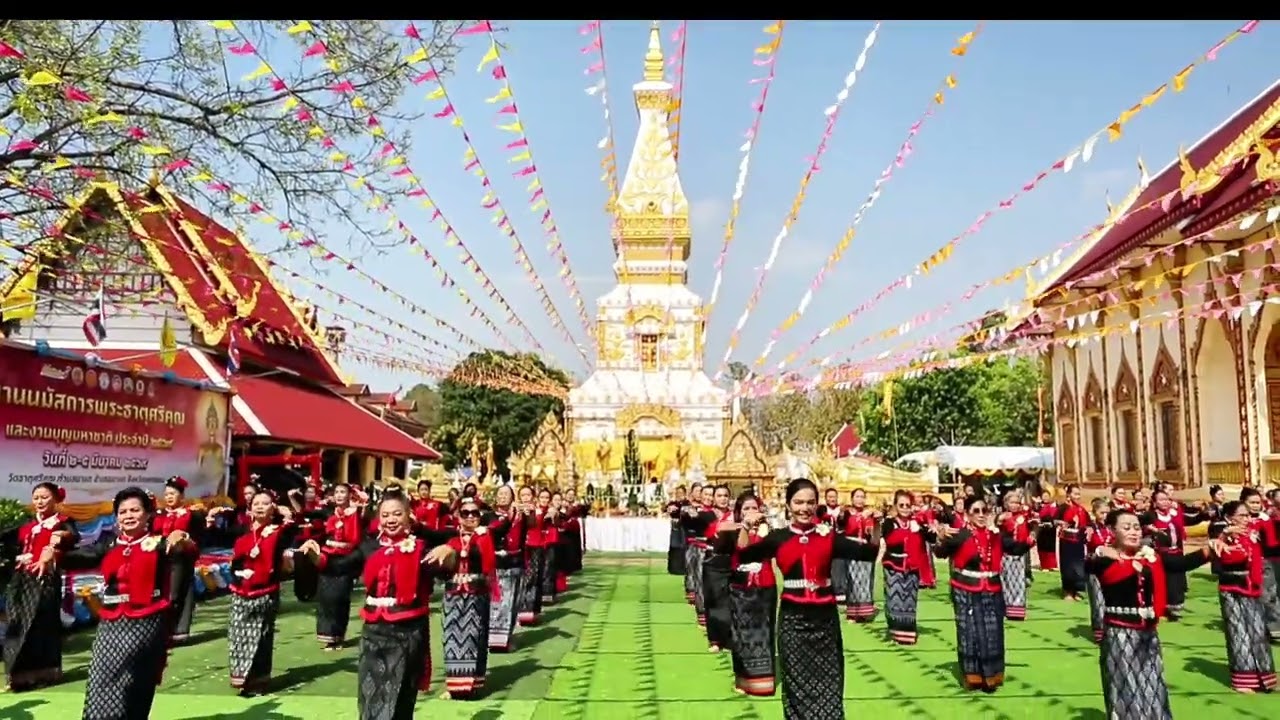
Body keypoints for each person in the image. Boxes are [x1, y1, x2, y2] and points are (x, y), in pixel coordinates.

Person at [297, 488, 456, 720]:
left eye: (397, 514)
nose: (391, 519)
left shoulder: (421, 548)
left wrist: (450, 551)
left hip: (408, 632)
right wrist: (314, 556)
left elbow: (444, 571)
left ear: (408, 516)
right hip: (374, 632)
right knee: (371, 693)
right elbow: (338, 567)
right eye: (385, 515)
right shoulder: (368, 547)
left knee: (401, 696)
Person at [735, 478, 866, 720]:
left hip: (825, 620)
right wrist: (745, 526)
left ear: (816, 505)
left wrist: (875, 527)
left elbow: (866, 553)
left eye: (810, 502)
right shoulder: (779, 538)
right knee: (796, 683)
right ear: (788, 505)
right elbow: (743, 556)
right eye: (798, 502)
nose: (804, 508)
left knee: (830, 680)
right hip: (792, 620)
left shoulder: (827, 536)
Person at [75, 487, 195, 719]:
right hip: (111, 621)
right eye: (123, 512)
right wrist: (53, 550)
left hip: (146, 621)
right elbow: (78, 556)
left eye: (135, 510)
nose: (128, 516)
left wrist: (183, 537)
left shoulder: (159, 544)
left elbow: (188, 551)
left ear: (148, 514)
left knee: (135, 677)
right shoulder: (110, 545)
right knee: (100, 674)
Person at [1087, 508, 1212, 719]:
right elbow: (1089, 564)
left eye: (1136, 527)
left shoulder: (1151, 557)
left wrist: (1210, 550)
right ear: (1113, 531)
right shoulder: (1106, 559)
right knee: (1126, 685)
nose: (1133, 532)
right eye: (1127, 527)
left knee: (1153, 684)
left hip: (1148, 631)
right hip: (1120, 633)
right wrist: (1100, 549)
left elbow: (1179, 564)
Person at [2, 482, 79, 691]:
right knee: (16, 623)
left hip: (45, 579)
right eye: (36, 498)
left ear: (56, 500)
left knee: (41, 625)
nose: (39, 502)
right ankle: (17, 676)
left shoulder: (62, 522)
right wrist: (16, 557)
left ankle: (46, 673)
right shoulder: (27, 524)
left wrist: (59, 538)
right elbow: (7, 541)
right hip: (21, 579)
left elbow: (73, 537)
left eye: (44, 497)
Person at [224, 490, 297, 694]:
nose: (260, 507)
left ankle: (258, 681)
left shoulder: (279, 532)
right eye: (256, 503)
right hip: (240, 589)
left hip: (265, 590)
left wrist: (288, 515)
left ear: (273, 508)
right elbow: (234, 557)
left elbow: (294, 529)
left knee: (261, 637)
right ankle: (241, 677)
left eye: (265, 503)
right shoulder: (241, 530)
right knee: (237, 635)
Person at [716, 491, 777, 696]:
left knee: (765, 631)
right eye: (746, 508)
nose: (751, 511)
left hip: (765, 584)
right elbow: (742, 547)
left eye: (754, 508)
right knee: (741, 633)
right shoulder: (733, 528)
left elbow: (764, 548)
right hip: (740, 587)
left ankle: (764, 681)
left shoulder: (768, 528)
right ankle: (743, 680)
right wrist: (745, 526)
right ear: (739, 512)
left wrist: (760, 526)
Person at [1214, 500, 1277, 693]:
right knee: (1239, 633)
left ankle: (1266, 678)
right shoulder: (1222, 535)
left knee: (1258, 631)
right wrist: (1226, 535)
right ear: (1229, 517)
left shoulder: (1252, 532)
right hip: (1233, 589)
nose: (1246, 519)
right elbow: (1226, 558)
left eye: (1248, 515)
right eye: (1242, 515)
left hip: (1252, 587)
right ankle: (1243, 680)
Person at [310, 482, 363, 650]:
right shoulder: (328, 512)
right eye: (337, 492)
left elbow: (359, 538)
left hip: (346, 560)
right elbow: (309, 514)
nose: (339, 495)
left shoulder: (357, 514)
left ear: (350, 495)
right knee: (325, 598)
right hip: (328, 557)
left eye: (343, 492)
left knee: (340, 598)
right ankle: (328, 636)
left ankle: (338, 636)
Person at [152, 476, 204, 644]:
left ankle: (179, 630)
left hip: (181, 558)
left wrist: (183, 538)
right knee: (161, 592)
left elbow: (198, 537)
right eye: (166, 494)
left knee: (178, 592)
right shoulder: (158, 514)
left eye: (172, 494)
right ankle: (162, 630)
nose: (169, 497)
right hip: (161, 558)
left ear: (181, 496)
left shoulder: (192, 514)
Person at [1142, 488, 1206, 620]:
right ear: (1154, 502)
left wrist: (1204, 515)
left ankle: (1173, 607)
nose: (1165, 502)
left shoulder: (1175, 514)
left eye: (1167, 499)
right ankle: (1163, 607)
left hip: (1176, 551)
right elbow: (1137, 523)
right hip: (1161, 553)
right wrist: (1149, 528)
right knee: (1166, 579)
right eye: (1161, 500)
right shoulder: (1151, 515)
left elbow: (1191, 520)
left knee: (1176, 579)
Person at [882, 489, 936, 645]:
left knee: (910, 600)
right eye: (901, 505)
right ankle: (895, 632)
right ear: (895, 506)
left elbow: (931, 538)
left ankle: (908, 634)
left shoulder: (917, 522)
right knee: (895, 600)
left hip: (912, 566)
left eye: (907, 505)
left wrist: (929, 529)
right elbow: (890, 540)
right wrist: (907, 532)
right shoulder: (889, 523)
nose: (905, 508)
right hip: (894, 565)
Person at [486, 485, 523, 652]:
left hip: (516, 563)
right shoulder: (488, 516)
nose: (502, 496)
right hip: (497, 565)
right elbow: (492, 532)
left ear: (512, 498)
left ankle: (507, 637)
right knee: (499, 603)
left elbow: (531, 527)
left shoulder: (520, 517)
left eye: (506, 494)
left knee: (514, 603)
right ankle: (497, 641)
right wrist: (508, 518)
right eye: (500, 493)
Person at [700, 484, 735, 653]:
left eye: (725, 495)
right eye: (719, 495)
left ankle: (729, 638)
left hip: (731, 561)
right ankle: (715, 640)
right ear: (713, 498)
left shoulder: (734, 515)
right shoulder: (707, 515)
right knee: (713, 600)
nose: (722, 499)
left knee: (730, 601)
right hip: (713, 560)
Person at [1242, 487, 1280, 641]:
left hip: (1262, 563)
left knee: (1268, 595)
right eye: (1252, 502)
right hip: (1242, 564)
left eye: (1258, 502)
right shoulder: (1237, 520)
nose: (1255, 506)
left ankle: (1274, 628)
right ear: (1243, 502)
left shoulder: (1265, 520)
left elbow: (1271, 543)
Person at [841, 488, 880, 623]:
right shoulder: (846, 513)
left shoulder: (870, 514)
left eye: (862, 497)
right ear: (852, 499)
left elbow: (871, 532)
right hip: (851, 548)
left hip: (865, 549)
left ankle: (865, 612)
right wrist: (860, 517)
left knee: (866, 580)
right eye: (857, 496)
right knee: (852, 580)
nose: (860, 499)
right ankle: (853, 612)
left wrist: (874, 520)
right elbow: (845, 526)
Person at [997, 491, 1035, 621]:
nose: (1015, 505)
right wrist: (999, 520)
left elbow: (1034, 525)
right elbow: (998, 532)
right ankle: (1005, 609)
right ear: (1006, 504)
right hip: (1007, 553)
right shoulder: (1003, 517)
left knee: (1020, 583)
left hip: (1021, 552)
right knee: (1006, 582)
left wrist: (1032, 536)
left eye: (1017, 503)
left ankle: (1017, 611)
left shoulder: (1024, 516)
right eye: (1012, 502)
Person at [515, 485, 545, 626]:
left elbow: (534, 525)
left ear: (533, 496)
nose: (526, 498)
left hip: (535, 547)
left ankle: (531, 610)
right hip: (520, 548)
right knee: (521, 579)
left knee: (533, 579)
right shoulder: (515, 511)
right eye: (523, 495)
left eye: (528, 495)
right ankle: (519, 610)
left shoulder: (538, 511)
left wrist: (530, 513)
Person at [1084, 497, 1112, 644]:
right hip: (1094, 568)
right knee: (1098, 600)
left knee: (1111, 600)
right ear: (1095, 513)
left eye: (1107, 512)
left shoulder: (1113, 527)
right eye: (1102, 513)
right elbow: (1082, 539)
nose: (1105, 516)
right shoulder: (1090, 528)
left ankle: (1112, 629)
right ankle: (1100, 631)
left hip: (1112, 568)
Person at [818, 488, 850, 602]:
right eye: (830, 497)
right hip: (823, 543)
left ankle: (840, 591)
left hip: (838, 543)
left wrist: (841, 515)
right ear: (826, 498)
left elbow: (844, 524)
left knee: (839, 566)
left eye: (834, 497)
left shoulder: (843, 511)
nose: (832, 499)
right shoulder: (821, 509)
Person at [664, 485, 690, 576]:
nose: (679, 495)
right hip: (675, 527)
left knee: (683, 546)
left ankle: (683, 568)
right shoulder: (673, 503)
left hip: (684, 527)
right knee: (674, 546)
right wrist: (668, 510)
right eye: (678, 493)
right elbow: (665, 510)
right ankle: (673, 568)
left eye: (681, 493)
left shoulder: (687, 503)